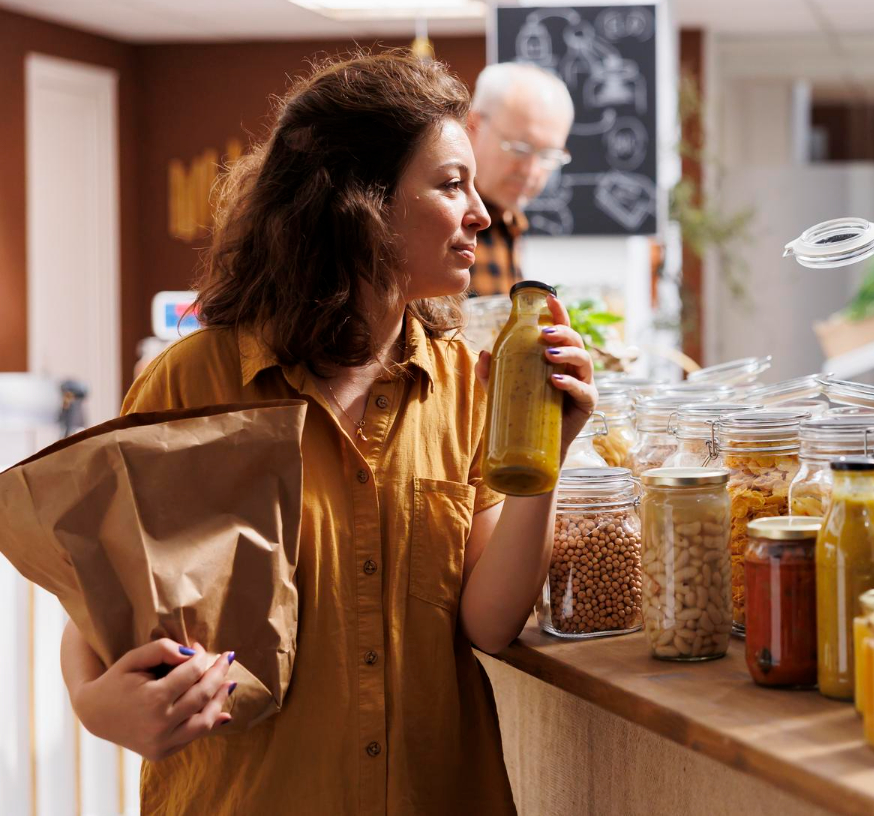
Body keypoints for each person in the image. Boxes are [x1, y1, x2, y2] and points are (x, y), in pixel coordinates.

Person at [58, 50, 596, 813]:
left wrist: (547, 455)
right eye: (450, 184)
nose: (482, 212)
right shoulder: (192, 385)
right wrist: (93, 704)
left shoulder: (460, 385)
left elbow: (488, 622)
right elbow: (99, 605)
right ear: (359, 203)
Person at [465, 62, 574, 295]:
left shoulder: (508, 219)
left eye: (548, 155)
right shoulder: (442, 220)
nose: (531, 171)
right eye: (520, 149)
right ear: (473, 125)